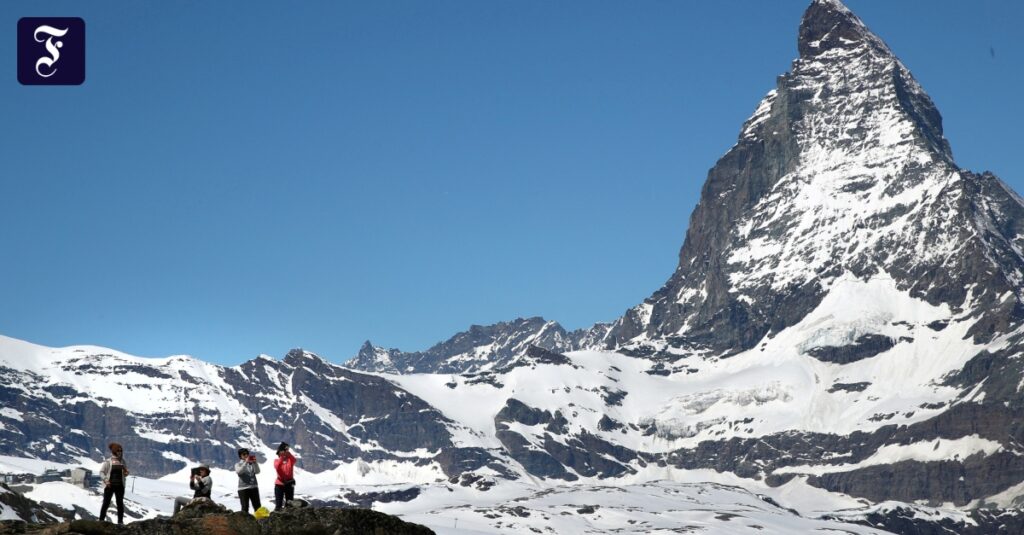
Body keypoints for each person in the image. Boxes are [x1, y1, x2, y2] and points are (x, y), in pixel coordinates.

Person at [98, 442, 129, 525]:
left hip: (120, 486)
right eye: (118, 451)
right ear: (114, 451)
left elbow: (125, 473)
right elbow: (101, 472)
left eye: (121, 451)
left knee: (120, 504)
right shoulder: (108, 461)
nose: (120, 452)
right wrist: (106, 480)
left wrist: (126, 473)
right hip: (109, 485)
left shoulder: (123, 461)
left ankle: (120, 522)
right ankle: (101, 520)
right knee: (106, 503)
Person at [235, 448, 261, 514]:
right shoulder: (238, 464)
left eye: (247, 454)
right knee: (245, 507)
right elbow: (239, 472)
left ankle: (260, 521)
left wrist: (255, 463)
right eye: (244, 454)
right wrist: (245, 463)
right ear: (240, 456)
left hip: (254, 487)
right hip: (243, 488)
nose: (246, 455)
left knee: (257, 506)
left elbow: (257, 471)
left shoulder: (251, 463)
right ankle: (245, 523)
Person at [273, 442, 297, 510]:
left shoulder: (290, 460)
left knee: (289, 503)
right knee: (278, 504)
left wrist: (288, 453)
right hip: (279, 484)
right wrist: (281, 457)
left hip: (289, 483)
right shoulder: (276, 461)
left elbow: (294, 460)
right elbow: (277, 467)